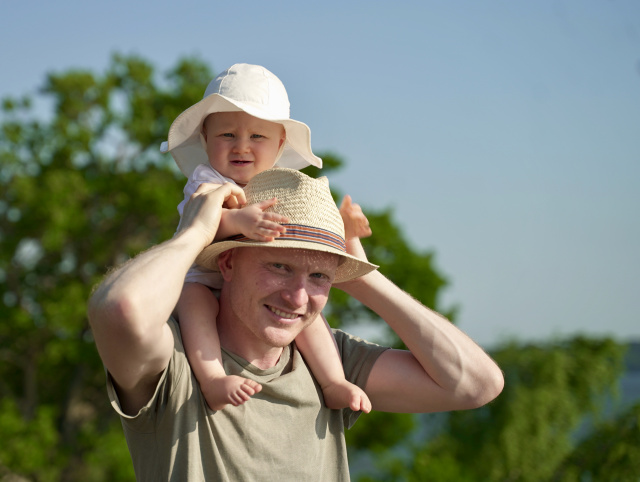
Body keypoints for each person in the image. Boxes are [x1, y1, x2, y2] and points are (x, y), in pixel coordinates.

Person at [88, 167, 504, 481]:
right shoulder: (176, 361)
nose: (298, 297)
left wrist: (358, 273)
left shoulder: (331, 365)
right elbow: (120, 309)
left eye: (319, 278)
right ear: (228, 262)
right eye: (280, 266)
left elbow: (475, 384)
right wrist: (195, 234)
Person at [161, 63, 373, 412]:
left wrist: (343, 230)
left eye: (257, 137)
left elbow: (305, 235)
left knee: (304, 312)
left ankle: (333, 381)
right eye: (227, 135)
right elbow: (196, 225)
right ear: (205, 138)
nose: (241, 147)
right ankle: (212, 378)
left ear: (279, 144)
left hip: (260, 284)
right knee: (195, 301)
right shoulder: (207, 179)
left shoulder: (279, 185)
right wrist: (235, 220)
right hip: (204, 274)